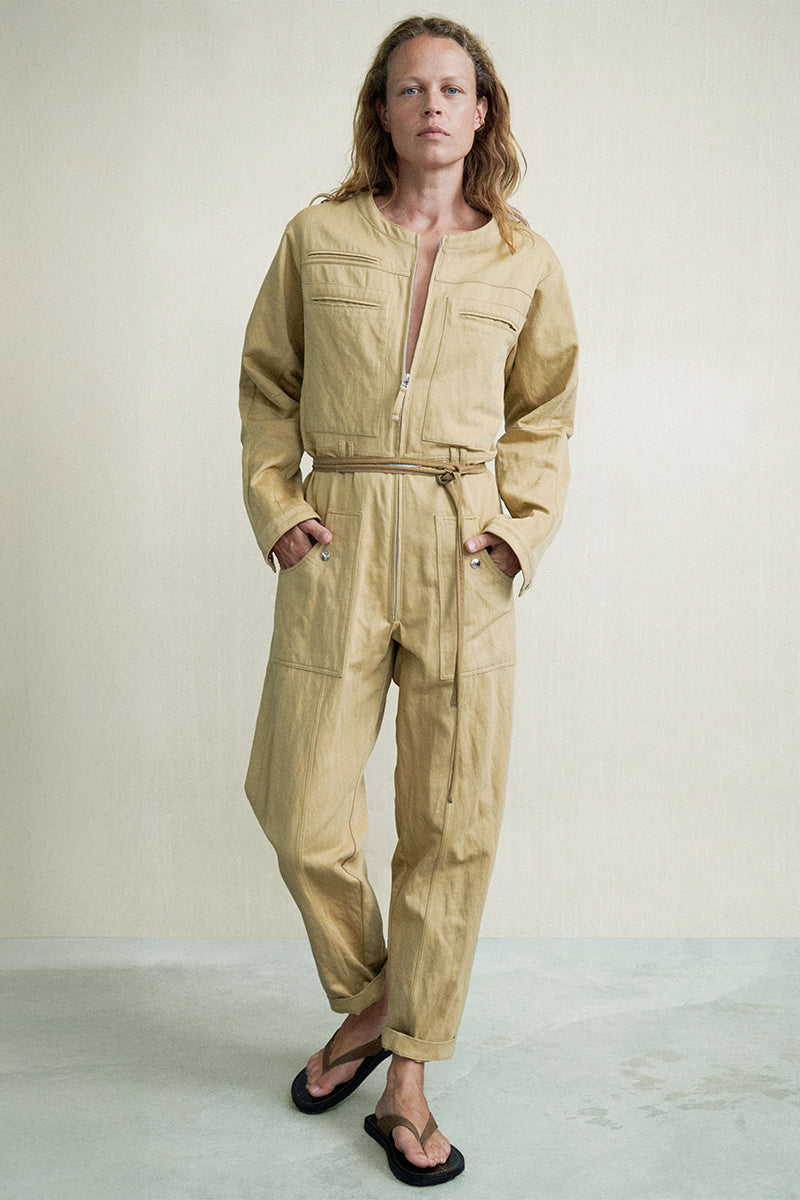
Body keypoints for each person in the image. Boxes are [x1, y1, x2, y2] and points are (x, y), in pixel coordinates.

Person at [239, 15, 578, 1188]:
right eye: (407, 88)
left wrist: (516, 530)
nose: (430, 105)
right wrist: (277, 505)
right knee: (296, 802)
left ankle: (407, 1081)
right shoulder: (317, 236)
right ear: (379, 112)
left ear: (481, 112)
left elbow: (546, 415)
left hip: (460, 543)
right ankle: (377, 997)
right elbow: (267, 385)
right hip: (336, 532)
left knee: (449, 821)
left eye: (451, 88)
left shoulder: (524, 260)